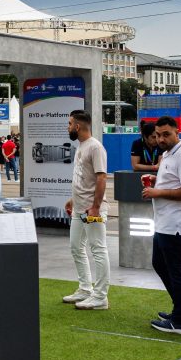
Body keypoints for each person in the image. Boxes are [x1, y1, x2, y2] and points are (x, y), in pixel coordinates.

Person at [142, 116, 181, 334]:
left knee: (176, 270)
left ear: (178, 132)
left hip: (176, 221)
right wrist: (155, 180)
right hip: (165, 221)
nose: (161, 138)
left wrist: (157, 191)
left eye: (166, 134)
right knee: (160, 263)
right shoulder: (167, 154)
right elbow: (174, 181)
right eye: (158, 135)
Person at [62, 110, 111, 309]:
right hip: (79, 208)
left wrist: (96, 207)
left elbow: (101, 178)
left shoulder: (95, 147)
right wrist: (73, 199)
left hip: (93, 210)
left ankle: (100, 297)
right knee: (76, 247)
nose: (68, 127)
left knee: (98, 249)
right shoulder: (82, 146)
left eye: (69, 123)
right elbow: (84, 177)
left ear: (78, 126)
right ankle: (85, 289)